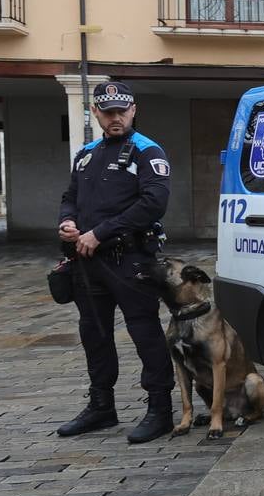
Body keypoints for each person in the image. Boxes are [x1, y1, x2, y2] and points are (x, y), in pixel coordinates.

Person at [57, 81, 176, 443]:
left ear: (133, 109)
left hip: (131, 259)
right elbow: (70, 196)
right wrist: (67, 222)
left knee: (145, 334)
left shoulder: (146, 151)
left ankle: (160, 410)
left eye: (121, 110)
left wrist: (100, 232)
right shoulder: (87, 154)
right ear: (96, 112)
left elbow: (153, 203)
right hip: (87, 260)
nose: (115, 118)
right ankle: (101, 407)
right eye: (108, 112)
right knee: (94, 334)